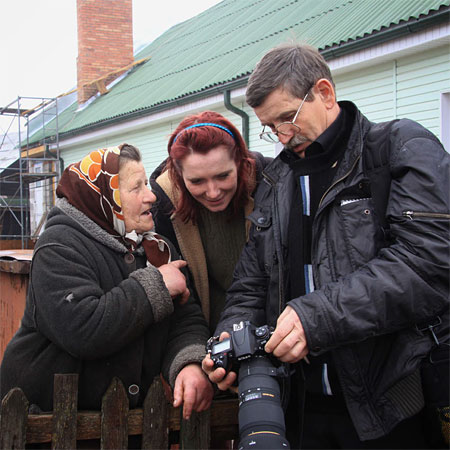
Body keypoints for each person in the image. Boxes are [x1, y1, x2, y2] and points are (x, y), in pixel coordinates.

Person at [202, 42, 450, 449]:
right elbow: (250, 284)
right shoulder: (276, 181)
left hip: (392, 409)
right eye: (271, 126)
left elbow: (425, 265)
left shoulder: (397, 149)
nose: (282, 136)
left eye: (288, 118)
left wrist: (314, 318)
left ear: (325, 93)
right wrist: (232, 339)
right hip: (300, 412)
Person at [0, 143, 213, 422]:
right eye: (136, 188)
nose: (151, 196)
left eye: (146, 184)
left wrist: (188, 362)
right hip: (45, 420)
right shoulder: (59, 247)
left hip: (125, 422)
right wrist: (157, 285)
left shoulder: (156, 248)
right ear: (104, 196)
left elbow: (185, 320)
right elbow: (83, 328)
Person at [150, 111, 272, 334]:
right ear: (178, 175)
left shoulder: (272, 184)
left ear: (240, 162)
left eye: (223, 176)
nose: (213, 192)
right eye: (197, 181)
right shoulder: (165, 205)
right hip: (204, 337)